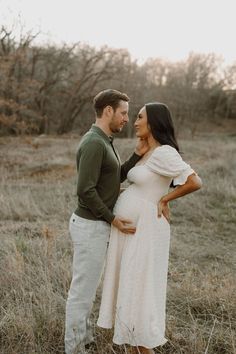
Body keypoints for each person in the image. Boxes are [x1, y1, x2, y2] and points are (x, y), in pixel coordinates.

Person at [97, 102, 202, 354]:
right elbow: (141, 184)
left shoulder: (165, 152)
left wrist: (165, 199)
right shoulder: (147, 151)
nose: (134, 121)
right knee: (131, 289)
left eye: (140, 117)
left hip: (146, 230)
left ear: (154, 122)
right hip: (130, 231)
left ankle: (145, 348)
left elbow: (194, 181)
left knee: (139, 289)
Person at [64, 89, 149, 354]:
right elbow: (85, 190)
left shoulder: (104, 140)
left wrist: (136, 155)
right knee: (82, 292)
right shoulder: (93, 143)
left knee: (87, 290)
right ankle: (75, 349)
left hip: (95, 226)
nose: (127, 119)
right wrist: (113, 219)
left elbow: (112, 179)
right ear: (108, 111)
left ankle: (85, 341)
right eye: (123, 113)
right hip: (90, 227)